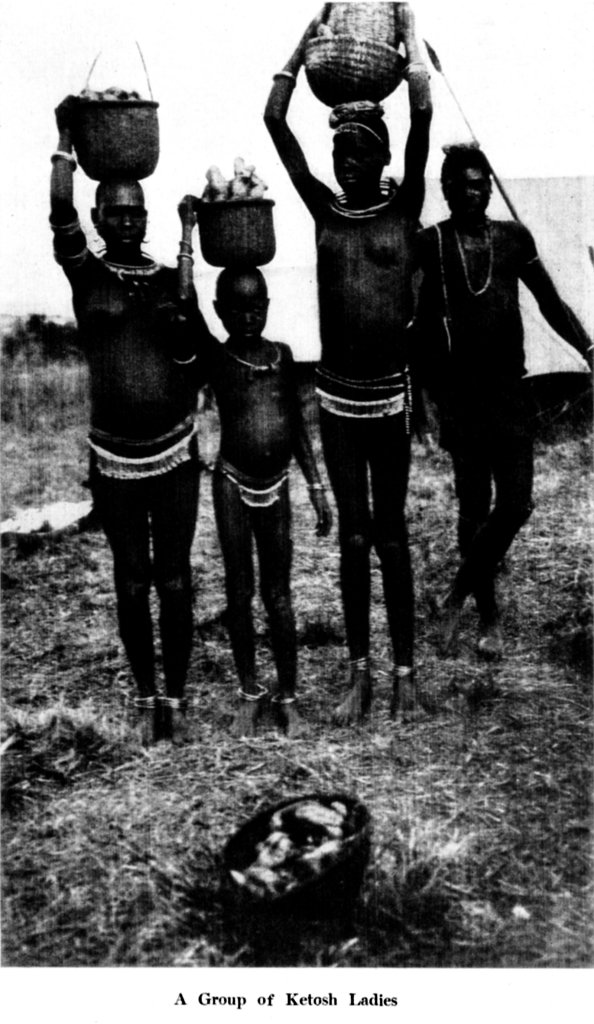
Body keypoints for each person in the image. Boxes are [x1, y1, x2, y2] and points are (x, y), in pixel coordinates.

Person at [264, 4, 432, 724]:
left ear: (382, 156)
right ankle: (359, 676)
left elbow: (422, 116)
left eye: (359, 154)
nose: (346, 164)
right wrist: (301, 47)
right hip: (336, 399)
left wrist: (411, 37)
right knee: (355, 536)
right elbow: (275, 124)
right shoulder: (325, 214)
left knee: (391, 535)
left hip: (388, 397)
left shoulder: (403, 209)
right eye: (339, 155)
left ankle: (404, 676)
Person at [49, 97, 212, 745]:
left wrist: (182, 329)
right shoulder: (87, 277)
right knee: (131, 579)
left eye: (134, 212)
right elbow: (59, 211)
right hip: (114, 456)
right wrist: (65, 140)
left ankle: (177, 697)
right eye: (114, 212)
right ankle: (146, 698)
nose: (125, 221)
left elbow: (198, 358)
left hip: (174, 451)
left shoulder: (171, 280)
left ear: (146, 217)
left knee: (175, 578)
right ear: (98, 218)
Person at [413, 143, 593, 659]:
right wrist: (423, 398)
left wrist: (589, 348)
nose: (474, 193)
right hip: (460, 396)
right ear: (446, 190)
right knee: (472, 509)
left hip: (509, 392)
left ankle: (453, 596)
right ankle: (488, 618)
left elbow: (550, 301)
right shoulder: (432, 243)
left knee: (515, 504)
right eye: (463, 185)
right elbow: (419, 327)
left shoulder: (514, 238)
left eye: (481, 184)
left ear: (489, 187)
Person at [206, 267, 332, 738]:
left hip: (276, 485)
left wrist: (316, 487)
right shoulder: (217, 358)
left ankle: (289, 699)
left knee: (278, 595)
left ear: (268, 307)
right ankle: (249, 693)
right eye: (236, 309)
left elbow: (297, 425)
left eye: (256, 308)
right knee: (239, 592)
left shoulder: (283, 356)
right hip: (231, 483)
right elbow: (184, 310)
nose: (247, 317)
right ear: (219, 311)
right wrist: (187, 237)